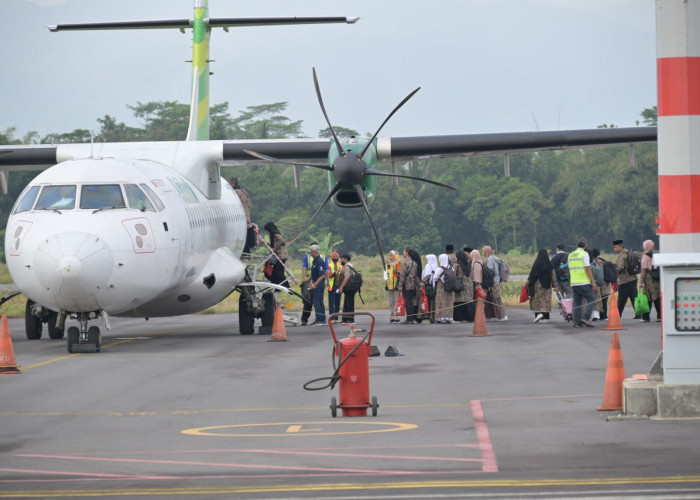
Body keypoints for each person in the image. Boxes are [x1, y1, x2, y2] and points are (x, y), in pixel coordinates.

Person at [567, 238, 598, 328]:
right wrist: (593, 282)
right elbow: (587, 269)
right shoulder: (584, 254)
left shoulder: (570, 255)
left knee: (577, 303)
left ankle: (577, 322)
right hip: (583, 282)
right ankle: (586, 317)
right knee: (592, 299)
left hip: (574, 283)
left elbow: (569, 269)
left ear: (577, 246)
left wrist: (571, 282)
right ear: (586, 246)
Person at [300, 242, 327, 326]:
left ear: (316, 252)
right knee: (319, 301)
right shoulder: (315, 260)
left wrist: (315, 284)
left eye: (312, 252)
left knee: (317, 302)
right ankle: (321, 319)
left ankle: (320, 320)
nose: (311, 253)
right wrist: (309, 279)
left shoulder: (319, 261)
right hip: (315, 282)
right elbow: (314, 271)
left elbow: (322, 275)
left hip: (318, 284)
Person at [526, 249, 555, 323]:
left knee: (537, 300)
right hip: (547, 285)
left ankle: (538, 314)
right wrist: (555, 285)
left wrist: (528, 282)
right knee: (546, 301)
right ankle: (545, 316)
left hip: (537, 285)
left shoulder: (537, 263)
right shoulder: (549, 264)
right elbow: (553, 276)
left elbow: (532, 274)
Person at [614, 239, 639, 319]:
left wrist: (615, 269)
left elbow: (620, 267)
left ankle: (617, 315)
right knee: (634, 297)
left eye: (615, 247)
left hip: (624, 280)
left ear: (620, 247)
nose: (614, 249)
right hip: (633, 278)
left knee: (621, 299)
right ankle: (638, 314)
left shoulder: (622, 255)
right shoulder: (629, 253)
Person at [230, 177, 255, 255]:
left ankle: (244, 251)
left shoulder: (236, 192)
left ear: (233, 183)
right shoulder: (243, 191)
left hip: (242, 216)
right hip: (246, 215)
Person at [482, 245, 508, 321]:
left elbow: (490, 270)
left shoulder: (490, 259)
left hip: (493, 282)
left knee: (496, 299)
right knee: (490, 299)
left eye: (483, 251)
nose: (482, 253)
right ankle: (491, 315)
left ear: (486, 251)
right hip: (496, 281)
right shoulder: (495, 258)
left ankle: (502, 316)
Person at [639, 239, 661, 322]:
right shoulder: (654, 255)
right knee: (656, 298)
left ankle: (645, 317)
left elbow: (643, 270)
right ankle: (659, 316)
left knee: (647, 298)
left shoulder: (645, 256)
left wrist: (641, 282)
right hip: (656, 280)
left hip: (649, 280)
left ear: (645, 246)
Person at [262, 222, 288, 287]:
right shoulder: (273, 235)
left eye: (267, 230)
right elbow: (273, 245)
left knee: (278, 272)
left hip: (281, 256)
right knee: (275, 272)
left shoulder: (276, 234)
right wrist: (266, 243)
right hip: (278, 256)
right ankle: (278, 285)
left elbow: (281, 241)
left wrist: (274, 249)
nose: (266, 232)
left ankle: (285, 285)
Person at [398, 247, 419, 324]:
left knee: (408, 302)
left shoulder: (405, 263)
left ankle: (409, 319)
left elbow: (402, 275)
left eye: (404, 251)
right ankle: (412, 318)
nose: (403, 253)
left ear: (407, 253)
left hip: (406, 284)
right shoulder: (414, 263)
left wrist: (400, 285)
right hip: (413, 284)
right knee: (412, 301)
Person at [453, 250, 474, 323]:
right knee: (468, 302)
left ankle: (459, 318)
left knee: (459, 301)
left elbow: (453, 275)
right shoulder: (468, 265)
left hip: (460, 285)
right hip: (470, 285)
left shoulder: (457, 265)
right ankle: (470, 318)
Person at [337, 254, 357, 325]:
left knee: (349, 303)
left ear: (345, 259)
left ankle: (351, 319)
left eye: (342, 259)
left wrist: (341, 287)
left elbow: (346, 278)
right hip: (351, 287)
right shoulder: (350, 265)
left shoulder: (347, 266)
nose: (341, 260)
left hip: (349, 287)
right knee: (347, 303)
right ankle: (345, 319)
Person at [434, 253, 454, 324]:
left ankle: (441, 317)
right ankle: (449, 317)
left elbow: (435, 278)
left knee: (440, 301)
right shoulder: (451, 268)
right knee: (449, 302)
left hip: (441, 287)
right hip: (450, 287)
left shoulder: (439, 268)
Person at [421, 254, 438, 324]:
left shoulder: (428, 265)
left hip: (427, 286)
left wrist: (423, 282)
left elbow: (427, 275)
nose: (426, 260)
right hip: (433, 286)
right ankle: (433, 317)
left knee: (427, 301)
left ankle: (427, 317)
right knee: (432, 302)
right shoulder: (436, 266)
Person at [385, 250, 402, 323]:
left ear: (395, 256)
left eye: (391, 255)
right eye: (389, 255)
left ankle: (396, 316)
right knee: (391, 301)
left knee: (396, 301)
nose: (390, 256)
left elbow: (401, 274)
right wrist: (386, 280)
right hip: (389, 284)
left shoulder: (399, 264)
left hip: (397, 284)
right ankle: (392, 315)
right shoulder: (387, 264)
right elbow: (385, 274)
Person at [327, 252, 344, 322]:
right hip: (331, 286)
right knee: (331, 303)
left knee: (337, 302)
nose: (335, 258)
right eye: (334, 257)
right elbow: (328, 275)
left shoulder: (340, 266)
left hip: (338, 285)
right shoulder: (329, 265)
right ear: (332, 258)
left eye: (337, 257)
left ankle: (336, 317)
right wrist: (333, 274)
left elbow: (343, 274)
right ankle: (332, 318)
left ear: (338, 258)